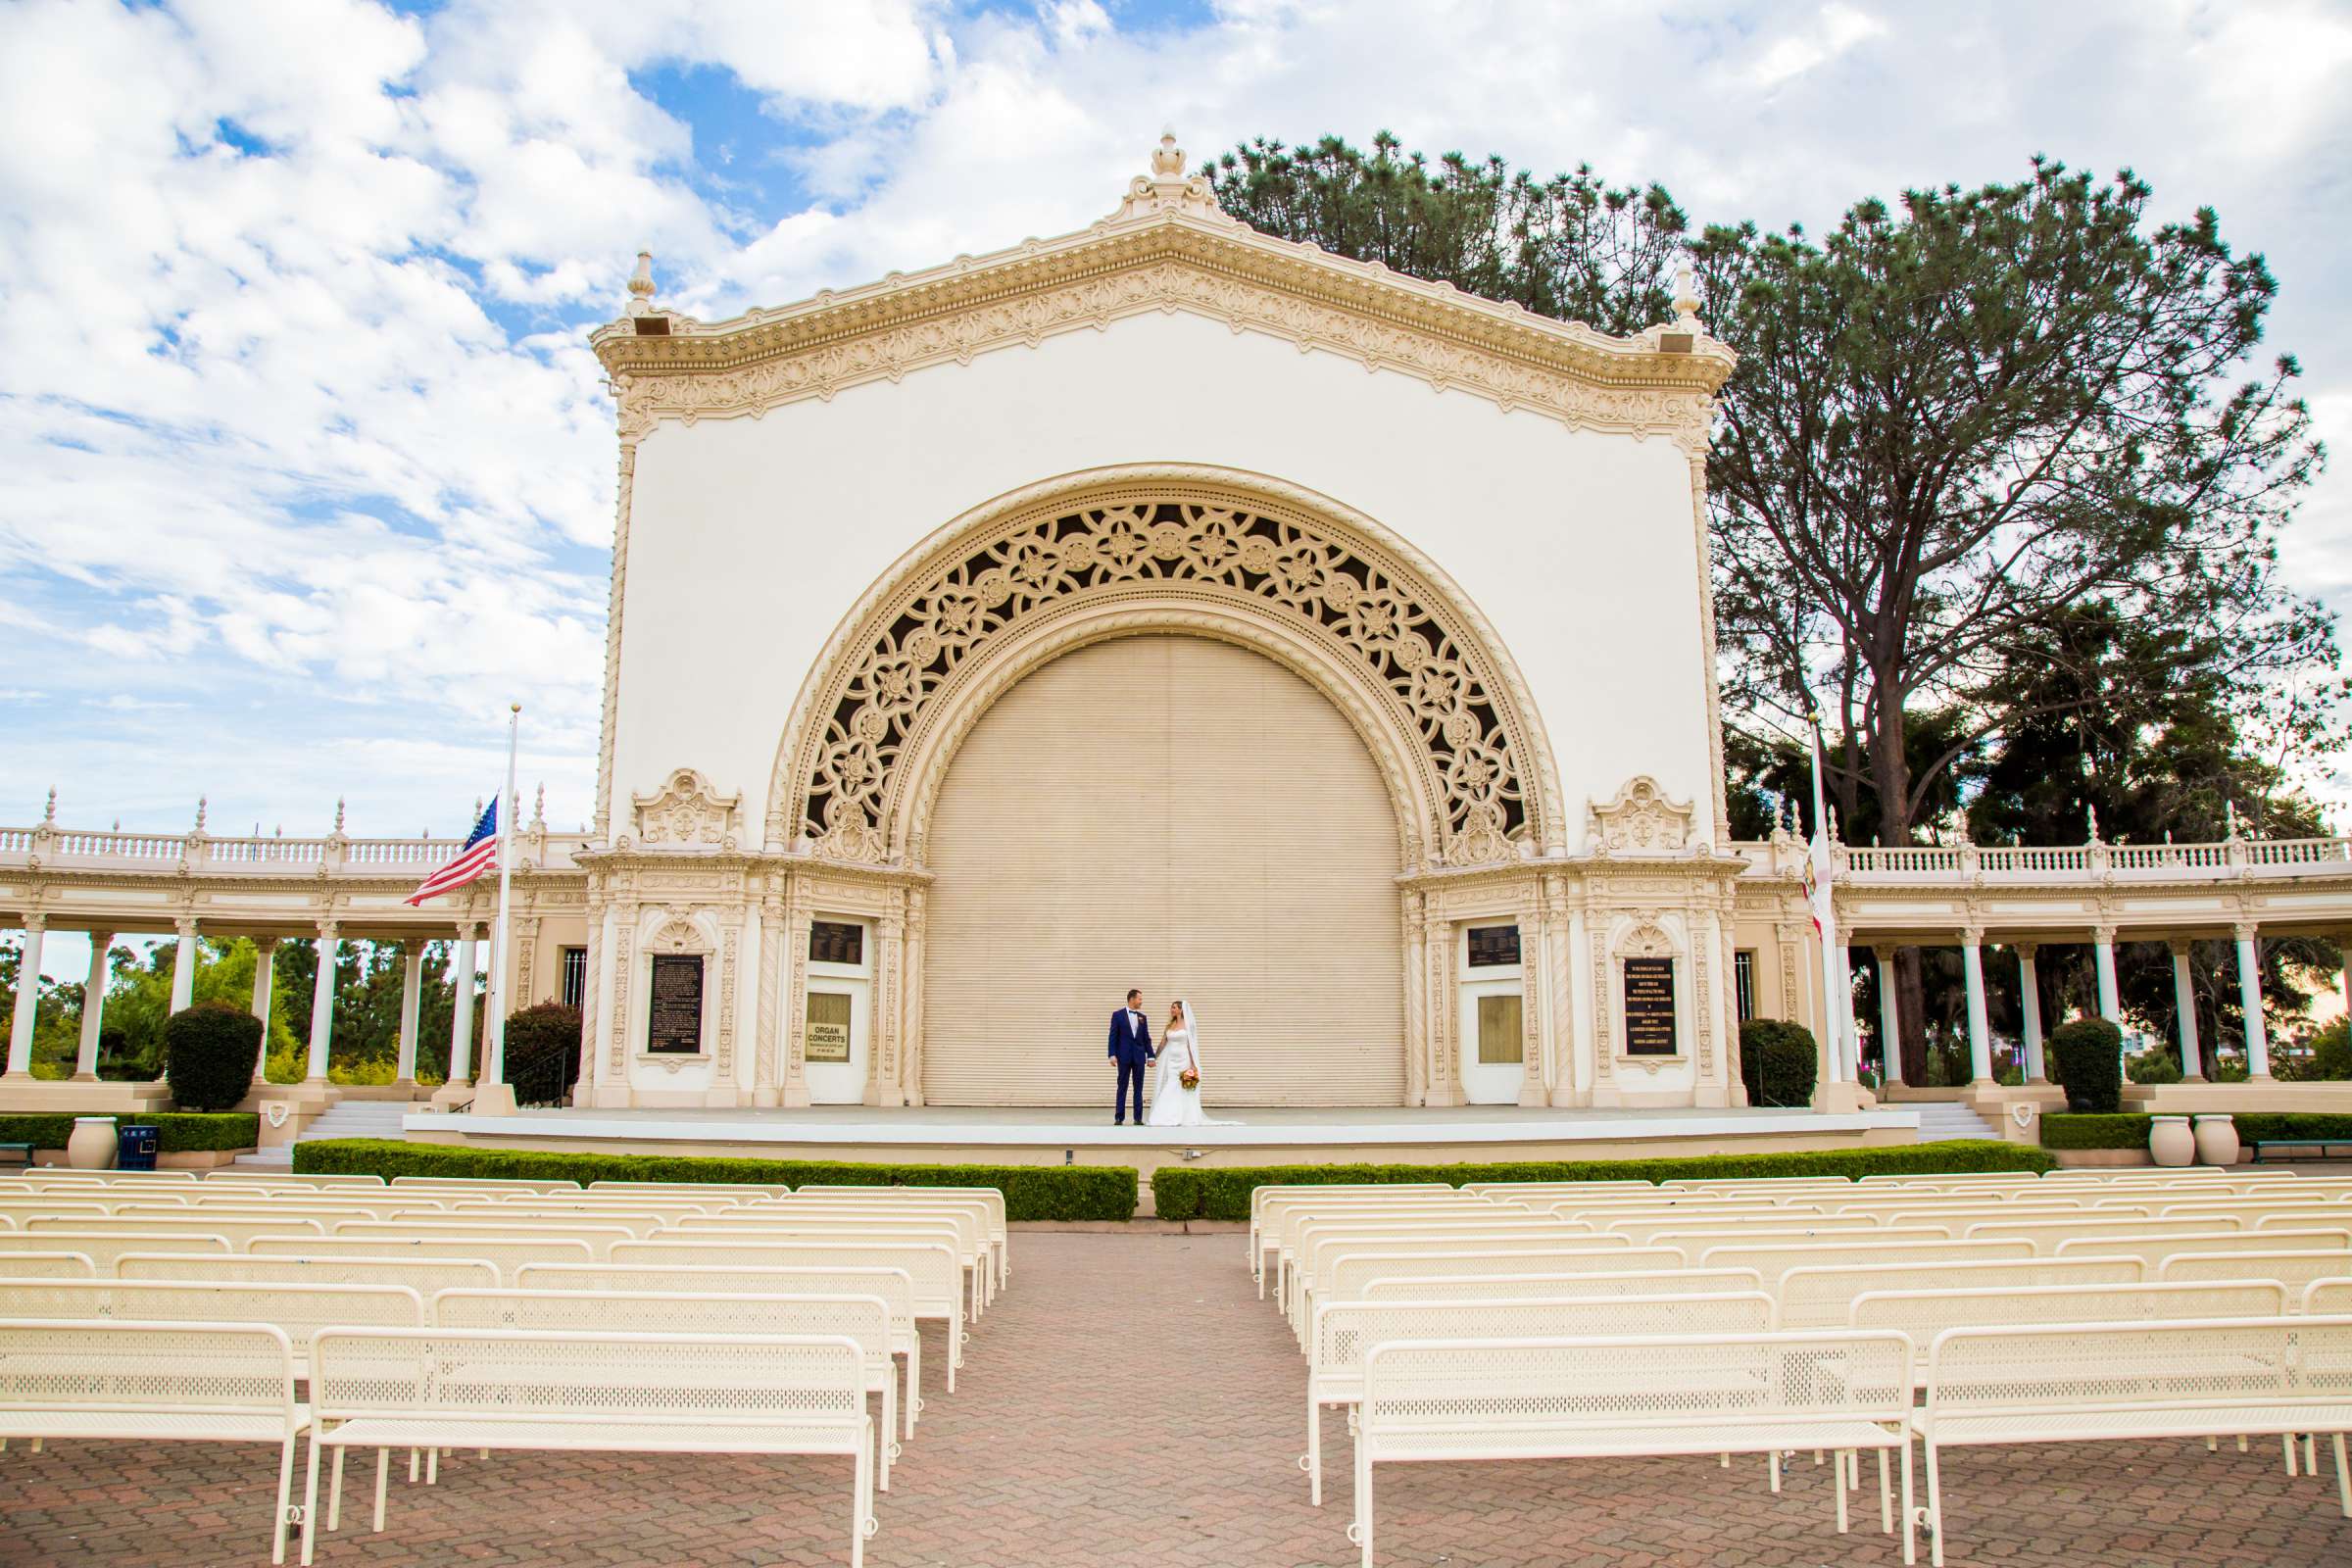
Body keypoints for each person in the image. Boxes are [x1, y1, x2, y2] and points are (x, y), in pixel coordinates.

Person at [1146, 999, 1235, 1127]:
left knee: (1182, 1087)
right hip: (1171, 1060)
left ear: (1181, 1010)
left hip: (1184, 1059)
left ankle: (1183, 1115)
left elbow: (1190, 1045)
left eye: (1174, 1007)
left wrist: (1193, 1064)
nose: (1172, 1010)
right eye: (1171, 1007)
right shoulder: (1169, 1025)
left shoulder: (1188, 1025)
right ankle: (1166, 1115)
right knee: (1171, 1083)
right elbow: (1163, 1042)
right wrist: (1154, 1057)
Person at [1108, 987, 1152, 1125]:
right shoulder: (1117, 1015)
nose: (1141, 1002)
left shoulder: (1142, 1018)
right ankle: (1119, 1117)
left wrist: (1151, 1056)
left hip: (1139, 1057)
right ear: (1132, 999)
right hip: (1123, 1056)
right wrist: (1112, 1054)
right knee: (1122, 1086)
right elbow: (1113, 1036)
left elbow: (1146, 1039)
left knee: (1138, 1087)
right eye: (1140, 999)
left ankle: (1138, 1118)